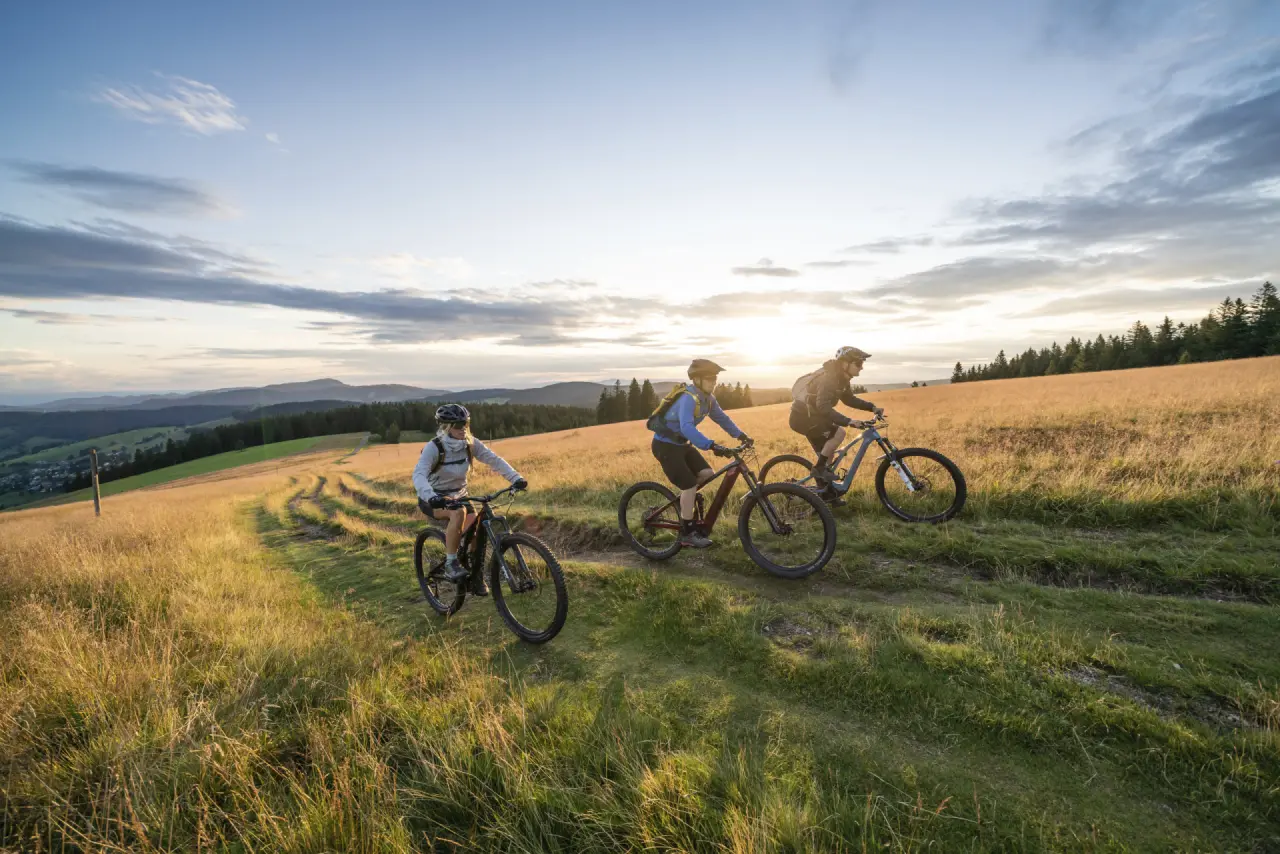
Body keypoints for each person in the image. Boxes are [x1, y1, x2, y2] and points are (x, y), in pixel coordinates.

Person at [412, 403, 527, 587]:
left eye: (465, 423)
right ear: (446, 427)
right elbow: (418, 475)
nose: (463, 428)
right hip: (434, 497)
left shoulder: (470, 443)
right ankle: (450, 563)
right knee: (458, 513)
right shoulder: (434, 447)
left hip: (460, 495)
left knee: (477, 529)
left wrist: (516, 478)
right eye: (458, 425)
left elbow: (494, 459)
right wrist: (431, 496)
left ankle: (476, 575)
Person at [649, 359, 752, 548]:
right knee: (689, 486)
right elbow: (686, 427)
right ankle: (687, 534)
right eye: (710, 378)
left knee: (707, 475)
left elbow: (722, 418)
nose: (714, 382)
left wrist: (741, 435)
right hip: (665, 446)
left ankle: (685, 506)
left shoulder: (709, 399)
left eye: (715, 378)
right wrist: (711, 445)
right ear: (697, 379)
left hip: (682, 445)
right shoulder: (688, 398)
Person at [789, 346, 883, 504]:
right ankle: (819, 470)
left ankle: (826, 492)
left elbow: (849, 399)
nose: (861, 367)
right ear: (845, 363)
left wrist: (871, 407)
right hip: (803, 418)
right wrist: (849, 421)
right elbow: (823, 406)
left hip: (814, 417)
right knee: (839, 433)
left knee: (828, 453)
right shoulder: (829, 379)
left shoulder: (841, 378)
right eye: (858, 364)